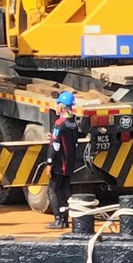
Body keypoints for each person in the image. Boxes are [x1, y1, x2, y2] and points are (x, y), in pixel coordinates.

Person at [47, 90, 85, 228]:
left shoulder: (59, 123)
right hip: (69, 163)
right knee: (65, 190)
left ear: (62, 106)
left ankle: (58, 220)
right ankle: (65, 220)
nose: (56, 107)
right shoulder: (73, 124)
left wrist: (49, 163)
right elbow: (72, 141)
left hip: (59, 163)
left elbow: (55, 145)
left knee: (52, 190)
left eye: (57, 104)